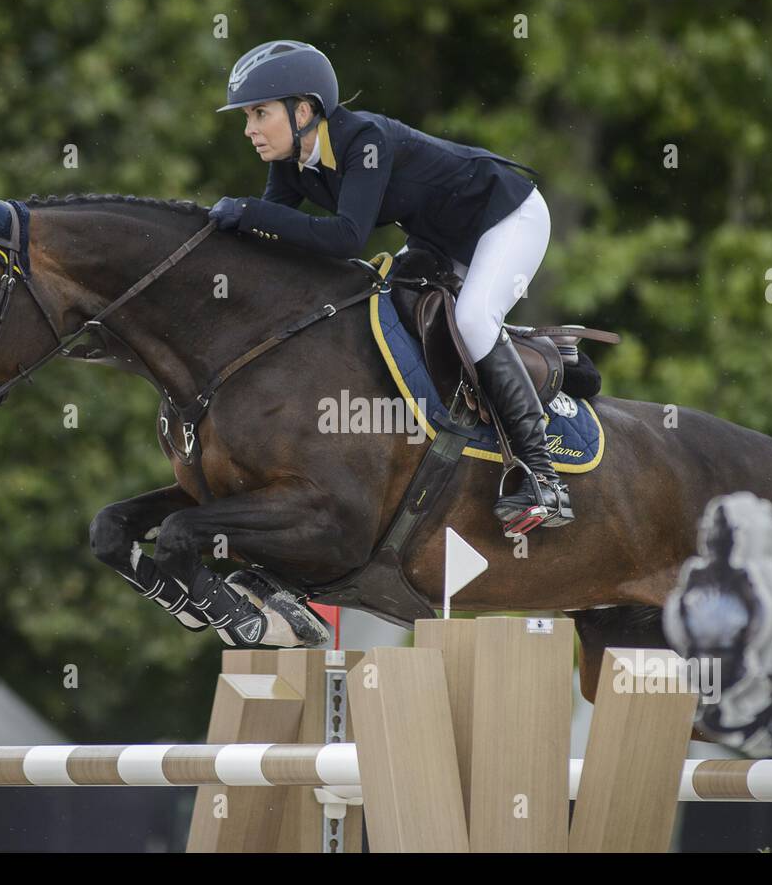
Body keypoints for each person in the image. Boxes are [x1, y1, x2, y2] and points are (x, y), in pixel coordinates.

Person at [207, 39, 572, 535]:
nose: (249, 130)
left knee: (471, 319)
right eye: (247, 117)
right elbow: (278, 242)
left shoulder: (365, 140)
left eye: (258, 113)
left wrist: (248, 212)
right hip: (440, 239)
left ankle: (544, 478)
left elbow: (345, 237)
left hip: (505, 218)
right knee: (380, 305)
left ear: (304, 110)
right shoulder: (292, 162)